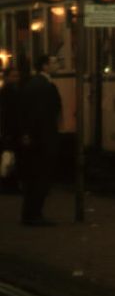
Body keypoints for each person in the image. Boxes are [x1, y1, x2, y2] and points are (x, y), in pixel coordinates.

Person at [18, 54, 62, 226]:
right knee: (41, 177)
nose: (57, 65)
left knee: (34, 178)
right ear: (45, 66)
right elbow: (44, 114)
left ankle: (30, 213)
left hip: (36, 138)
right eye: (55, 62)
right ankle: (34, 214)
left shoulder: (33, 84)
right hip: (43, 138)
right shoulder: (44, 86)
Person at [0, 65, 23, 194]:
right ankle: (10, 185)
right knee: (11, 157)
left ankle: (8, 184)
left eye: (17, 76)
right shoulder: (10, 92)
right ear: (7, 77)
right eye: (14, 76)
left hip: (8, 130)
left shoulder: (6, 91)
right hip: (10, 130)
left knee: (9, 157)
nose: (16, 79)